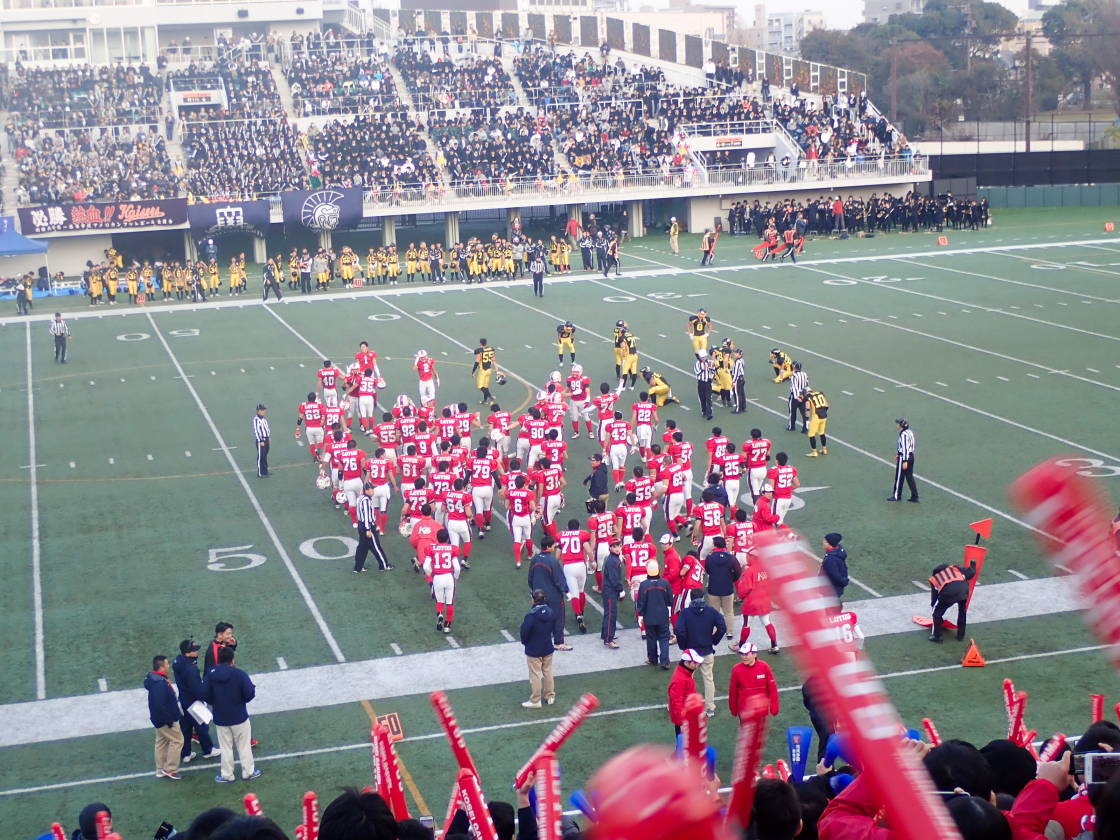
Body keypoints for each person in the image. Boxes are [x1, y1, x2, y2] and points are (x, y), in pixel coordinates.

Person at [201, 645, 260, 782]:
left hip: (221, 717)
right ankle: (248, 772)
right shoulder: (239, 674)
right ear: (232, 660)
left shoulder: (211, 674)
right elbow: (250, 693)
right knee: (244, 745)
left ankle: (227, 775)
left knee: (225, 747)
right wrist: (241, 701)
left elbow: (204, 694)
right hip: (239, 716)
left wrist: (215, 703)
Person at [673, 589, 726, 716]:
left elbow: (679, 631)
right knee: (708, 679)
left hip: (691, 654)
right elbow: (722, 627)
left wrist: (683, 646)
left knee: (685, 679)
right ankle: (710, 707)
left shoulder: (685, 613)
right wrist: (713, 640)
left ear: (690, 598)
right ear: (703, 597)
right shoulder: (711, 611)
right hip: (707, 650)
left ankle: (688, 705)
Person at [172, 640, 219, 765]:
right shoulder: (191, 669)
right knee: (202, 727)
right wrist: (204, 699)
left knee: (186, 729)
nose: (197, 651)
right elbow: (197, 689)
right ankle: (208, 750)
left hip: (182, 701)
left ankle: (186, 754)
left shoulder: (177, 661)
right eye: (194, 650)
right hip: (194, 703)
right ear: (188, 653)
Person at [145, 655, 184, 780]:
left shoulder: (155, 680)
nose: (169, 666)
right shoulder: (160, 684)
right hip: (166, 719)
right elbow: (160, 704)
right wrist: (169, 720)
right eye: (167, 664)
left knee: (161, 742)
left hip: (158, 719)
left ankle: (160, 769)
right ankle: (170, 769)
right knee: (177, 740)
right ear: (161, 667)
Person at [527, 537, 571, 650]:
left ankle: (537, 640)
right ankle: (559, 642)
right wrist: (566, 591)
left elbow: (530, 577)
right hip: (553, 596)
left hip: (537, 594)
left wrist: (533, 590)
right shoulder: (552, 561)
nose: (554, 547)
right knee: (558, 618)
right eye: (552, 546)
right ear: (548, 547)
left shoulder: (535, 559)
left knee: (538, 618)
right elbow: (558, 579)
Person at [520, 589, 556, 708]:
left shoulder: (531, 616)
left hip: (534, 649)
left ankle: (536, 700)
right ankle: (550, 696)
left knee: (535, 674)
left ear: (533, 599)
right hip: (547, 646)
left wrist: (526, 643)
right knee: (548, 671)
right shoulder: (551, 612)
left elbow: (524, 632)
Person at [727, 643, 780, 721]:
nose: (743, 657)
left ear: (754, 654)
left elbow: (772, 688)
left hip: (761, 710)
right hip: (745, 711)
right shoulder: (736, 669)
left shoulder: (764, 667)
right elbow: (733, 691)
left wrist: (774, 707)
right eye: (742, 654)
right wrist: (733, 709)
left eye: (746, 654)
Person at [637, 559, 674, 669]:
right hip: (663, 615)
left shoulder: (643, 585)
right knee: (664, 638)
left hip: (649, 616)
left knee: (651, 638)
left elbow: (641, 602)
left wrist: (640, 615)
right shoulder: (665, 583)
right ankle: (665, 661)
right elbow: (670, 600)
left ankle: (653, 659)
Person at [929, 560, 976, 642]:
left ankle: (937, 636)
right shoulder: (955, 568)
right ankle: (960, 635)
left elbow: (934, 600)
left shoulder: (935, 578)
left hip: (949, 592)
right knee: (962, 611)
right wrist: (973, 565)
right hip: (964, 590)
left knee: (936, 613)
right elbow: (971, 573)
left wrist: (938, 618)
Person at [704, 537, 741, 643]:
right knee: (729, 611)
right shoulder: (730, 557)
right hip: (727, 588)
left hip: (713, 588)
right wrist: (731, 579)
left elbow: (708, 570)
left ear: (715, 545)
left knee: (715, 611)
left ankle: (715, 630)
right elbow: (738, 571)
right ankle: (729, 632)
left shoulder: (710, 557)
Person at [355, 484, 392, 572]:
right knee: (376, 547)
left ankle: (358, 567)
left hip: (361, 525)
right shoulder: (366, 500)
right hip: (367, 526)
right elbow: (367, 515)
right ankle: (384, 565)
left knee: (362, 547)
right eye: (371, 489)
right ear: (366, 490)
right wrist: (368, 529)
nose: (373, 491)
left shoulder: (360, 498)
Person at [668, 649, 704, 736]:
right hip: (684, 719)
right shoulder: (681, 679)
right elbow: (677, 702)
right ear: (687, 663)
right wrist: (682, 722)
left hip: (687, 716)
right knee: (684, 744)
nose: (697, 665)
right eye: (695, 663)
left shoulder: (685, 673)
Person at [601, 539, 624, 649]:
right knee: (611, 615)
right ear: (610, 548)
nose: (617, 548)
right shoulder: (612, 560)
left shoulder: (613, 558)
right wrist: (620, 589)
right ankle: (609, 639)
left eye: (618, 546)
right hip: (610, 591)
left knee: (608, 613)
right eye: (614, 546)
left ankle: (605, 634)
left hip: (609, 590)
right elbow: (614, 578)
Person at [889, 417, 919, 502]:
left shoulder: (903, 435)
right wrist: (898, 454)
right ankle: (915, 496)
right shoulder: (910, 432)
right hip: (911, 456)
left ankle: (896, 496)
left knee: (899, 477)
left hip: (904, 458)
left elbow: (905, 447)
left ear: (901, 425)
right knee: (909, 477)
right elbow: (909, 446)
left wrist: (904, 460)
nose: (897, 425)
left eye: (898, 423)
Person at [821, 533, 849, 603]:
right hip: (836, 589)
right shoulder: (838, 550)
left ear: (830, 544)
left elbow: (835, 575)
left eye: (825, 541)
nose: (823, 543)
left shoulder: (830, 559)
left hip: (831, 590)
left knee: (830, 609)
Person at [803, 387, 830, 456]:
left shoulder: (808, 397)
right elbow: (827, 405)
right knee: (822, 433)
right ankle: (824, 449)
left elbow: (807, 410)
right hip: (824, 416)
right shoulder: (820, 393)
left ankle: (814, 452)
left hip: (816, 417)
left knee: (811, 434)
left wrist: (806, 420)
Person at [694, 351, 714, 420]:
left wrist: (710, 368)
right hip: (701, 383)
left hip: (708, 382)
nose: (704, 358)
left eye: (705, 356)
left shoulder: (709, 362)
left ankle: (709, 413)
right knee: (702, 398)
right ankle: (704, 411)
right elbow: (697, 373)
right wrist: (703, 369)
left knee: (708, 398)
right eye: (702, 357)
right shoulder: (697, 364)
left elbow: (713, 371)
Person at [252, 404, 271, 477]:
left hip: (266, 439)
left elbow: (266, 428)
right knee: (261, 456)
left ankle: (265, 471)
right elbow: (257, 431)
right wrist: (260, 440)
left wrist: (268, 436)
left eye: (264, 410)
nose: (264, 411)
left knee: (265, 455)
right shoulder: (256, 420)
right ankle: (260, 473)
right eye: (262, 410)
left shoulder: (264, 419)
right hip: (261, 440)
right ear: (258, 411)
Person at [731, 349, 746, 414]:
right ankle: (743, 407)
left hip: (738, 379)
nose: (734, 354)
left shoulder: (737, 362)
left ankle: (738, 409)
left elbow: (736, 372)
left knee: (737, 394)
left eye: (736, 353)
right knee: (742, 393)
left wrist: (733, 381)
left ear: (739, 354)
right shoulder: (742, 360)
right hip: (742, 378)